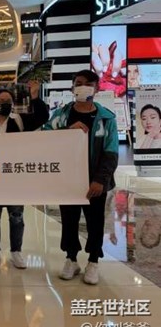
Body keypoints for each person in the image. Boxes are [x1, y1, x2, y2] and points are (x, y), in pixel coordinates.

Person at [43, 69, 119, 285]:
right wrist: (68, 130)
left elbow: (111, 152)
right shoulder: (62, 114)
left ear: (96, 88)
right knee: (69, 220)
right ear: (72, 87)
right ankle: (71, 258)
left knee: (95, 221)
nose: (82, 87)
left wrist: (100, 180)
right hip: (68, 180)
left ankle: (93, 261)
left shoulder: (106, 118)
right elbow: (45, 136)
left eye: (87, 84)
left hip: (95, 182)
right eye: (78, 83)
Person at [0, 80, 48, 269]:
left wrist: (35, 97)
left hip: (14, 177)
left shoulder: (19, 120)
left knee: (16, 215)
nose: (4, 104)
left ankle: (16, 251)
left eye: (8, 101)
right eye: (0, 101)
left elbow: (42, 117)